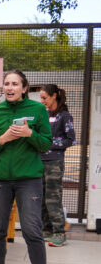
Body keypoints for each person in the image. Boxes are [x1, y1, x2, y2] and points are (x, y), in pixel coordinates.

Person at [0, 70, 52, 264]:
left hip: (28, 179)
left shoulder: (38, 110)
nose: (9, 87)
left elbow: (47, 143)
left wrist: (30, 133)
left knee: (32, 229)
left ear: (24, 88)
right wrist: (3, 139)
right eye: (6, 84)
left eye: (15, 84)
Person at [39, 84, 75, 247]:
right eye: (41, 98)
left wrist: (48, 143)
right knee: (40, 196)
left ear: (54, 96)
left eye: (44, 97)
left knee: (53, 196)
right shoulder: (43, 114)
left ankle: (59, 232)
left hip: (54, 162)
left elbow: (70, 139)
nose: (42, 101)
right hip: (39, 161)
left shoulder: (64, 116)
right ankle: (46, 230)